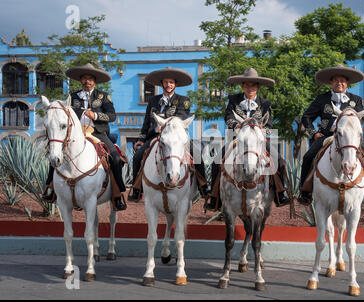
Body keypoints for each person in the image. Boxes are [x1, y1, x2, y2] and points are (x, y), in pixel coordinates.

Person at [41, 63, 127, 210]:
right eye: (84, 78)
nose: (87, 81)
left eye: (90, 79)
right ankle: (51, 188)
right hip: (76, 134)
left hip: (97, 133)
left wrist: (96, 115)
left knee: (116, 158)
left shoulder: (104, 97)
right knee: (56, 155)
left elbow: (112, 116)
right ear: (81, 80)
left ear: (95, 81)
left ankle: (117, 194)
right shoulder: (72, 97)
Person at [205, 68, 290, 211]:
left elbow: (269, 125)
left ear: (257, 87)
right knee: (216, 161)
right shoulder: (233, 100)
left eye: (253, 85)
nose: (250, 88)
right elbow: (228, 117)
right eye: (247, 85)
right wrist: (236, 126)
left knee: (279, 160)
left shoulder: (265, 103)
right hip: (237, 139)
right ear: (242, 86)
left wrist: (262, 132)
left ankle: (280, 193)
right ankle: (214, 197)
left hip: (258, 140)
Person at [297, 64, 364, 206]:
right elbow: (306, 117)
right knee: (308, 157)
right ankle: (304, 192)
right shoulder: (322, 99)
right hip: (326, 137)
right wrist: (314, 133)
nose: (339, 83)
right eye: (335, 80)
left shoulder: (356, 100)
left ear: (347, 83)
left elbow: (361, 119)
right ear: (331, 82)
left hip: (349, 139)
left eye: (342, 81)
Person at [127, 67, 207, 201]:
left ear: (175, 85)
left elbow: (181, 117)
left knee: (196, 153)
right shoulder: (153, 100)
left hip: (177, 137)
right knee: (137, 157)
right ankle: (137, 189)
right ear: (161, 84)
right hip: (155, 136)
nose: (168, 85)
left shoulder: (183, 100)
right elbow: (147, 121)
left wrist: (164, 124)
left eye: (171, 82)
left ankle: (203, 186)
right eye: (166, 82)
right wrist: (141, 138)